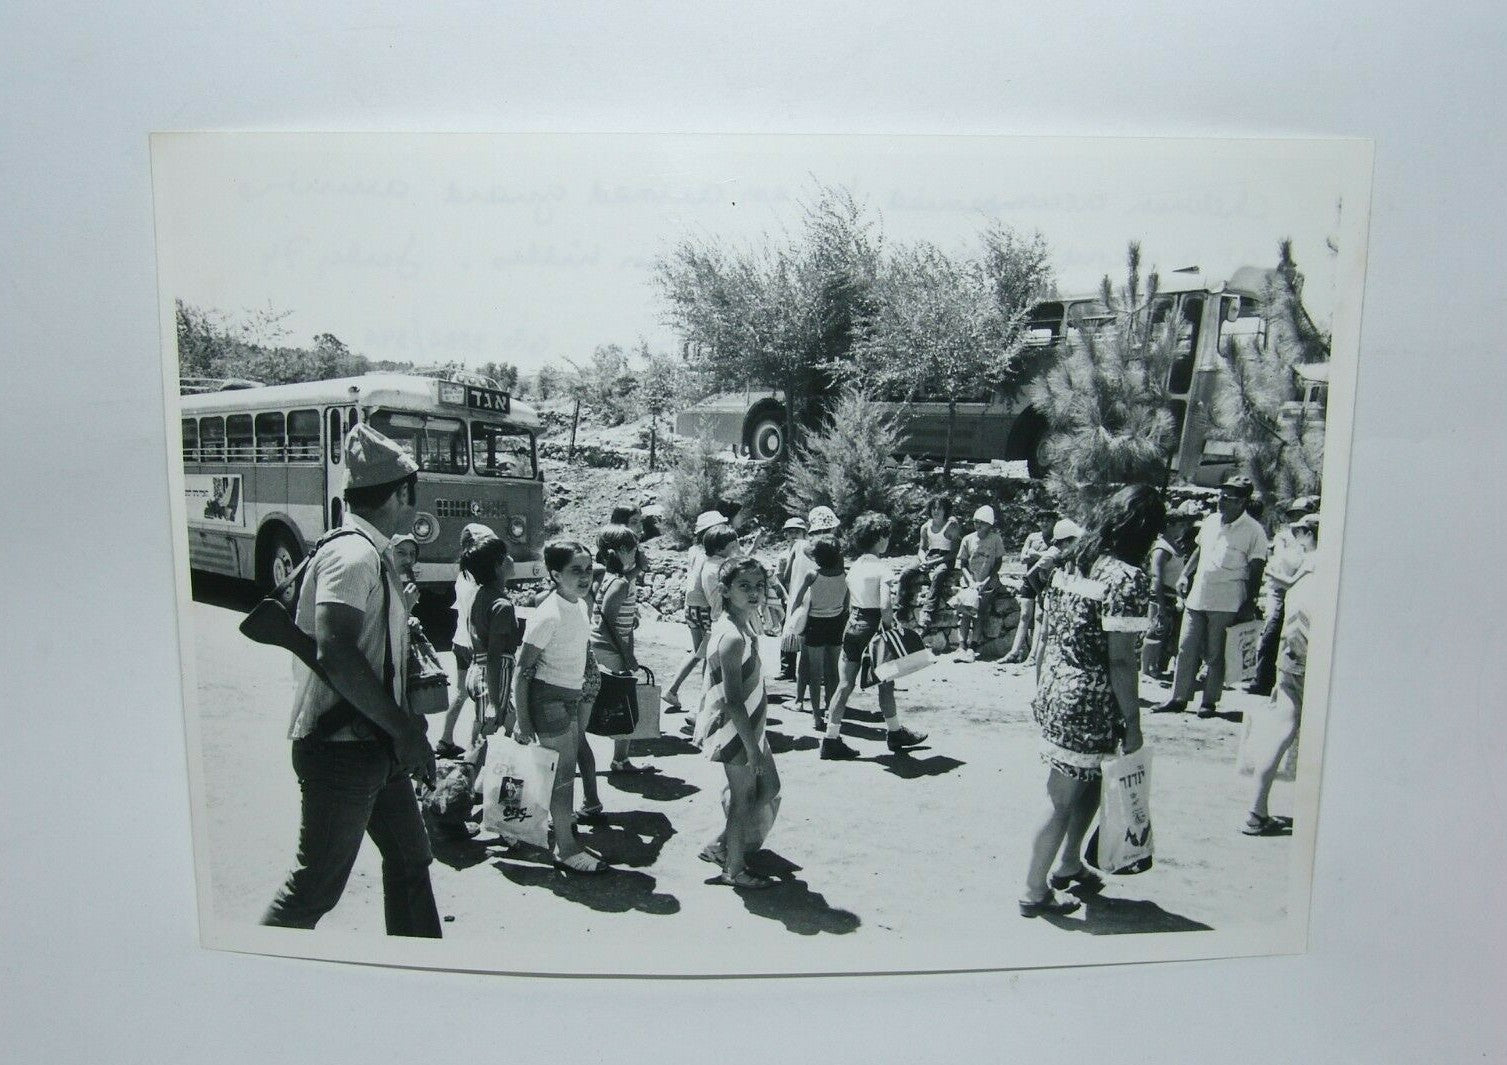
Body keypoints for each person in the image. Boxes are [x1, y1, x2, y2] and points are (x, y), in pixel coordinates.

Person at [262, 423, 441, 936]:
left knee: (411, 860)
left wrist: (402, 728)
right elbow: (335, 651)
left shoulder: (371, 551)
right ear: (403, 491)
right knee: (312, 890)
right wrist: (404, 730)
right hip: (341, 748)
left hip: (374, 742)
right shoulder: (354, 554)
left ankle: (422, 976)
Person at [1019, 484, 1164, 918]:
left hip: (1057, 685)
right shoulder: (1126, 578)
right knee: (1061, 797)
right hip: (1089, 698)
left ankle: (1067, 863)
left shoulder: (1071, 558)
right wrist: (1134, 723)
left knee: (1090, 780)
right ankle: (1033, 891)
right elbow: (1121, 662)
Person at [512, 539, 610, 873]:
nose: (585, 577)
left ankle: (552, 831)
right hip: (548, 700)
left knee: (559, 773)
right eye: (575, 571)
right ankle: (566, 848)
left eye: (587, 569)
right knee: (563, 776)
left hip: (570, 697)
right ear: (555, 574)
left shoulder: (579, 605)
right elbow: (522, 671)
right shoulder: (548, 614)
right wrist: (523, 721)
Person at [692, 556, 782, 889]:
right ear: (725, 590)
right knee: (744, 797)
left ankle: (720, 844)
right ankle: (733, 868)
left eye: (759, 585)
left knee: (768, 788)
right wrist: (751, 749)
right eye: (744, 586)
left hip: (751, 728)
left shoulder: (743, 626)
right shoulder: (731, 636)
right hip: (737, 732)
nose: (754, 592)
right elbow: (732, 701)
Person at [1154, 474, 1269, 718]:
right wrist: (1185, 574)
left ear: (1242, 502)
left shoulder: (1254, 531)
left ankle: (1209, 701)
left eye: (1228, 498)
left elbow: (1257, 569)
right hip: (1198, 595)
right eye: (1221, 496)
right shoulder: (1211, 521)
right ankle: (1178, 698)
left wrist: (1250, 603)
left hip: (1227, 600)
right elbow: (1199, 549)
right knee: (1185, 647)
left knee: (1216, 654)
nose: (1221, 501)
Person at [820, 513, 928, 760]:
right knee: (886, 682)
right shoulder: (882, 568)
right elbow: (885, 606)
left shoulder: (854, 567)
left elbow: (850, 600)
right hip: (874, 627)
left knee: (845, 684)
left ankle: (830, 739)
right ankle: (894, 732)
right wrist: (890, 628)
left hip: (853, 626)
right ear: (880, 538)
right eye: (886, 536)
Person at [1241, 516, 1319, 835]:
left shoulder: (1303, 566)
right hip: (1315, 653)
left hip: (1292, 650)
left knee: (1282, 728)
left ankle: (1256, 809)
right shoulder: (1332, 563)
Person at [589, 523, 655, 774]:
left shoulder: (610, 578)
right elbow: (607, 626)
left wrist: (638, 568)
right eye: (631, 549)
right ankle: (620, 761)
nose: (635, 553)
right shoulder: (619, 583)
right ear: (617, 552)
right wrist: (628, 656)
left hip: (602, 649)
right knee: (624, 703)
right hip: (611, 651)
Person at [664, 523, 741, 712]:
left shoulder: (698, 554)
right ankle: (704, 706)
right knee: (709, 657)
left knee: (700, 652)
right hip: (707, 611)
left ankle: (675, 690)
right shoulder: (715, 565)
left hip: (692, 608)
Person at [1247, 500, 1318, 696]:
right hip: (1279, 590)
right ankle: (1262, 678)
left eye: (1301, 513)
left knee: (1289, 636)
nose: (1296, 516)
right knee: (1272, 630)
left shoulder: (1310, 547)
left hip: (1295, 592)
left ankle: (1278, 682)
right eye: (1294, 513)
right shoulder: (1285, 537)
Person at [437, 523, 495, 758]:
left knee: (461, 692)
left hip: (460, 640)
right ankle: (475, 750)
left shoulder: (463, 574)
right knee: (483, 699)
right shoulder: (480, 578)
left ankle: (445, 739)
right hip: (476, 644)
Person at [460, 535, 520, 739]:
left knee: (515, 728)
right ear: (498, 565)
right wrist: (494, 702)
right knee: (483, 733)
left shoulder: (477, 595)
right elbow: (495, 656)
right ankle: (468, 769)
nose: (512, 559)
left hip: (477, 669)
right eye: (507, 556)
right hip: (494, 675)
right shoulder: (502, 606)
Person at [787, 535, 848, 729]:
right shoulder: (843, 574)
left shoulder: (812, 575)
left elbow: (797, 600)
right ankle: (832, 710)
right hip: (836, 623)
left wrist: (793, 620)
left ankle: (816, 716)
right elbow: (846, 602)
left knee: (815, 672)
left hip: (815, 624)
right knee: (833, 672)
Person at [1004, 515, 1080, 664]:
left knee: (1042, 621)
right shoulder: (1036, 539)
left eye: (1048, 519)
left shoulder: (1058, 544)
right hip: (1040, 586)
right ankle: (1016, 653)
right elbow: (1025, 561)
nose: (1044, 522)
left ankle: (1033, 656)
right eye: (1041, 519)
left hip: (1050, 586)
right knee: (1029, 618)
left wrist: (1036, 555)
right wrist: (1039, 591)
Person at [1140, 503, 1197, 679]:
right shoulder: (1161, 547)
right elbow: (1156, 576)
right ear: (1169, 525)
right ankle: (1146, 670)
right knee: (1154, 632)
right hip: (1160, 596)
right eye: (1180, 525)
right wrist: (1161, 606)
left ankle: (1156, 667)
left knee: (1165, 633)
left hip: (1172, 595)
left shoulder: (1175, 545)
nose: (1183, 529)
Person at [954, 504, 1007, 660]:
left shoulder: (995, 539)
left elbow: (998, 563)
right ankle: (961, 645)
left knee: (980, 612)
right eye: (976, 522)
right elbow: (963, 564)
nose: (978, 525)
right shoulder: (968, 539)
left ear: (989, 524)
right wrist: (971, 581)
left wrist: (986, 581)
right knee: (966, 612)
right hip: (970, 582)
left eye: (982, 522)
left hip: (987, 583)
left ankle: (973, 646)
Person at [915, 495, 962, 630]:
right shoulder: (925, 526)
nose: (936, 511)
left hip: (945, 558)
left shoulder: (952, 526)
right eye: (934, 508)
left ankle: (927, 612)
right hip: (929, 556)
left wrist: (933, 563)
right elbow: (921, 549)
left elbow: (954, 553)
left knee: (939, 573)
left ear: (945, 510)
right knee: (907, 572)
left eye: (940, 508)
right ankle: (901, 607)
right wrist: (924, 561)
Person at [775, 516, 809, 680]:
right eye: (790, 533)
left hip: (804, 597)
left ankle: (807, 669)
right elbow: (780, 579)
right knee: (787, 632)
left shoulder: (809, 552)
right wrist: (785, 596)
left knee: (805, 632)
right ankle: (787, 669)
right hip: (787, 597)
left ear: (804, 533)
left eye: (797, 532)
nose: (793, 535)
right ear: (785, 535)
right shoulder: (783, 556)